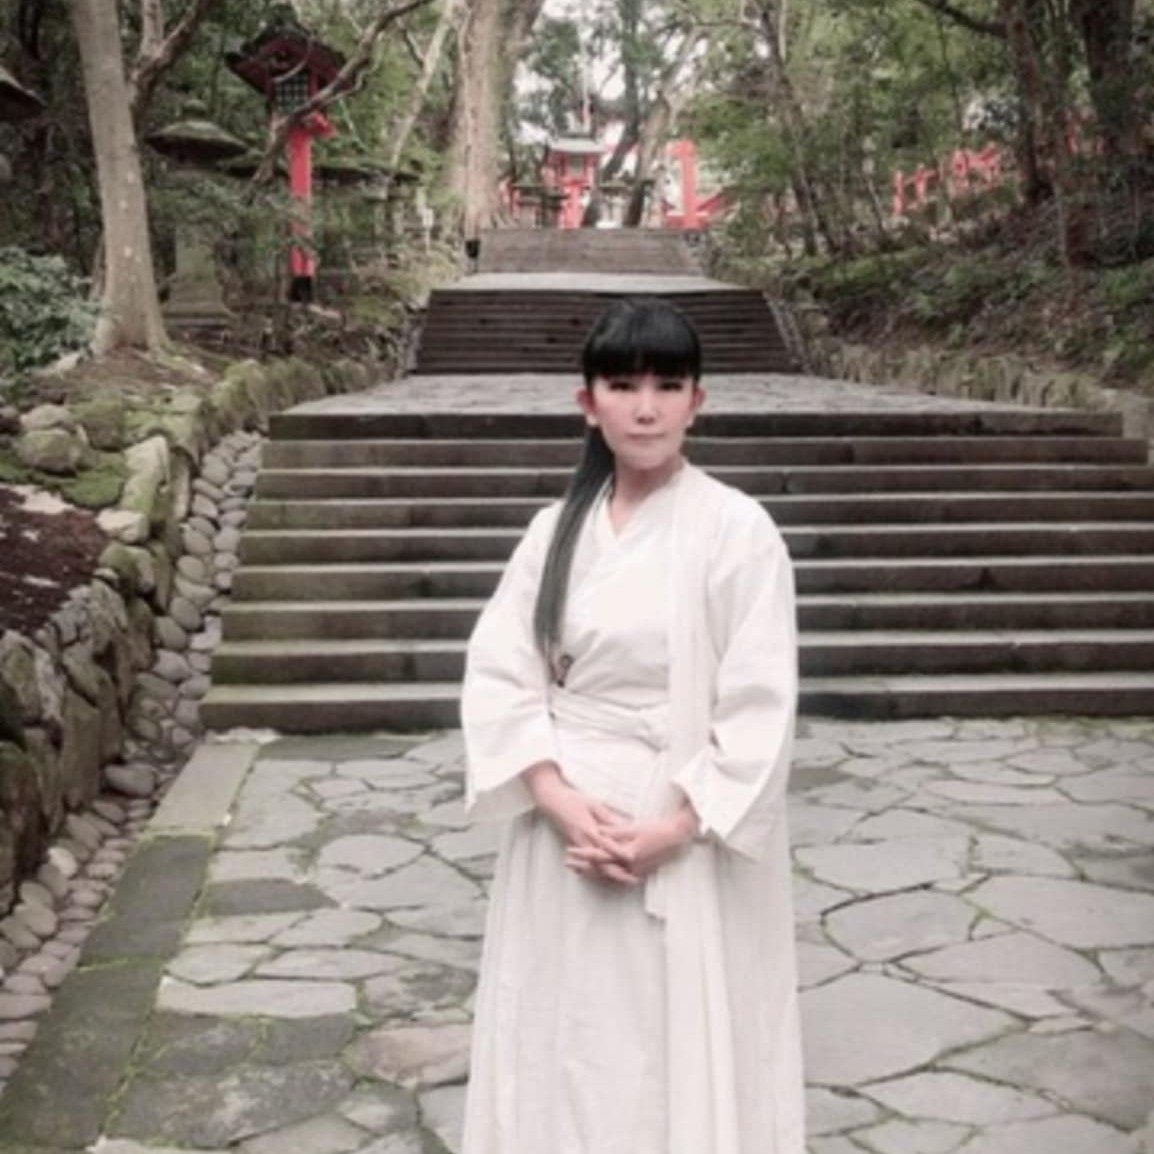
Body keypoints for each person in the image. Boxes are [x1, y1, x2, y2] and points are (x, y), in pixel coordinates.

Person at [459, 297, 804, 1154]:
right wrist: (554, 797)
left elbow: (760, 702)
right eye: (622, 386)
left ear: (697, 402)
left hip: (676, 820)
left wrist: (676, 830)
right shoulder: (555, 531)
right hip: (565, 824)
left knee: (662, 1038)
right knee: (558, 1030)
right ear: (589, 403)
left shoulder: (737, 530)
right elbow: (503, 670)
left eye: (667, 385)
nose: (645, 408)